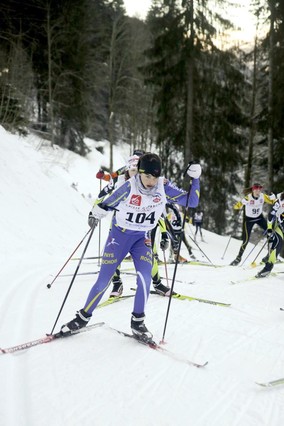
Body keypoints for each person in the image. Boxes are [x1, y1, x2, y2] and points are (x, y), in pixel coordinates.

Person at [61, 153, 201, 339]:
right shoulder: (129, 187)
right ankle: (82, 317)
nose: (151, 181)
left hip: (141, 239)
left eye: (155, 177)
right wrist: (95, 214)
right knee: (104, 281)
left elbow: (192, 201)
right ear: (139, 173)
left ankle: (137, 322)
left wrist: (196, 179)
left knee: (145, 278)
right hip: (119, 237)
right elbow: (107, 203)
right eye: (147, 176)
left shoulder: (163, 186)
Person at [230, 183, 275, 266]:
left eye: (259, 189)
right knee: (246, 240)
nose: (258, 191)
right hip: (249, 220)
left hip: (259, 218)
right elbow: (236, 207)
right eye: (256, 189)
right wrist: (241, 203)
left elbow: (272, 201)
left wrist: (274, 198)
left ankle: (270, 255)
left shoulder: (263, 196)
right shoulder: (248, 197)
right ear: (253, 190)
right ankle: (238, 258)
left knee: (271, 232)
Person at [256, 192, 284, 278]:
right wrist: (269, 229)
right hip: (279, 225)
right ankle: (267, 268)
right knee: (277, 243)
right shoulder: (280, 200)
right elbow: (270, 215)